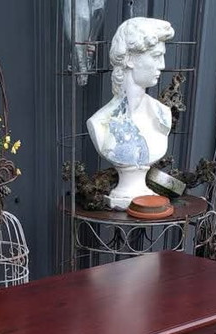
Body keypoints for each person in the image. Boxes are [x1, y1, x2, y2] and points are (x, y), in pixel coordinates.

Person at [87, 17, 175, 208]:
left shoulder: (162, 114)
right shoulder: (100, 123)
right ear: (130, 59)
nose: (162, 65)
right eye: (156, 56)